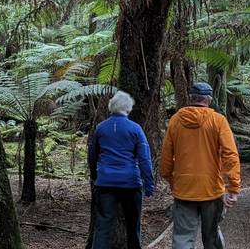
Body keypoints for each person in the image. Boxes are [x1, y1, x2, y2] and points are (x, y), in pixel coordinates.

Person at [161, 82, 241, 249]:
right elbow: (230, 155)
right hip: (211, 189)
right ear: (209, 100)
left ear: (191, 98)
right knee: (211, 236)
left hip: (184, 190)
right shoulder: (218, 121)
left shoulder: (175, 120)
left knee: (183, 237)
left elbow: (166, 156)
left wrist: (171, 180)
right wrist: (233, 188)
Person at [88, 90, 155, 249]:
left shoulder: (101, 128)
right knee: (133, 225)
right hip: (131, 184)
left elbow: (92, 155)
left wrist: (95, 175)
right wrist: (149, 184)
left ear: (111, 107)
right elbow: (144, 159)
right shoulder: (136, 129)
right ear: (128, 108)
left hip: (105, 183)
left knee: (103, 225)